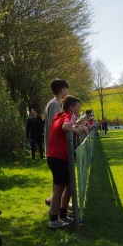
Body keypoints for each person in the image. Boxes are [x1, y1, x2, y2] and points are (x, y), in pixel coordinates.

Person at [46, 95, 88, 229]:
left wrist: (77, 127)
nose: (79, 110)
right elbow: (65, 127)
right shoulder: (69, 115)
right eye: (78, 107)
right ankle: (54, 219)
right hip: (58, 157)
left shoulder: (59, 115)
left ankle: (63, 214)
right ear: (71, 108)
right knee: (59, 188)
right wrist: (76, 130)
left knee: (69, 185)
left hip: (55, 156)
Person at [44, 79, 69, 206]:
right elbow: (53, 126)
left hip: (52, 148)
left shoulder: (52, 103)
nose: (67, 91)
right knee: (60, 181)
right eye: (66, 89)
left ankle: (54, 200)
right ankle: (56, 203)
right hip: (54, 149)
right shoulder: (54, 105)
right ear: (62, 90)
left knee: (58, 180)